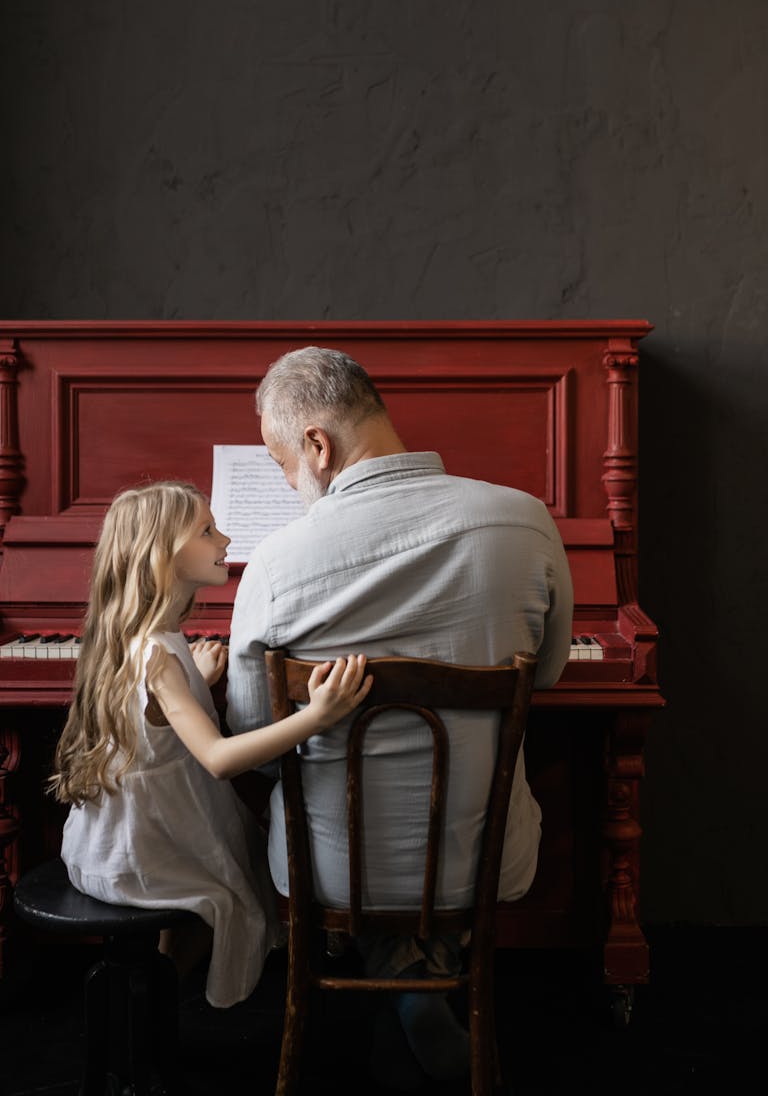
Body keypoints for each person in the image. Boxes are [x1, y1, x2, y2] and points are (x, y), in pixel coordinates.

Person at [226, 347, 574, 1083]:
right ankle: (425, 969)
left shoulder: (279, 562)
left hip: (329, 875)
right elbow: (541, 675)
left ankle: (389, 966)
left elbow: (253, 742)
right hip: (479, 868)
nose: (289, 484)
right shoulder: (527, 520)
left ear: (318, 445)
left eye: (282, 463)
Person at [49, 480, 372, 1010]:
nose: (225, 540)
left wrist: (192, 680)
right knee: (237, 894)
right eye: (207, 530)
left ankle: (154, 995)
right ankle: (149, 1004)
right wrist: (319, 716)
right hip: (140, 854)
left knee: (238, 860)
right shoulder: (157, 657)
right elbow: (219, 760)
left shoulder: (145, 640)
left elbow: (156, 718)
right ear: (162, 556)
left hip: (114, 838)